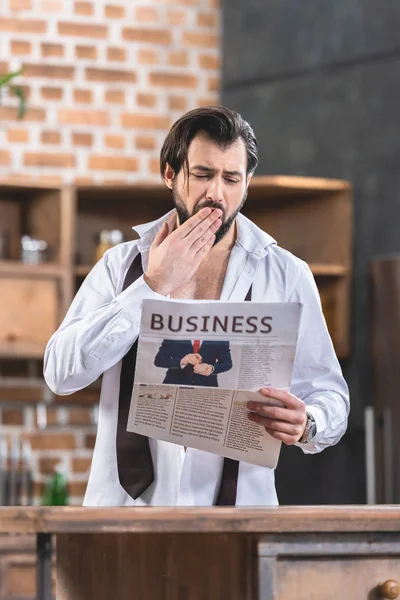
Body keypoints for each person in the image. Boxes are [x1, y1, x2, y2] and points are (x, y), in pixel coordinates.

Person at [44, 106, 349, 507]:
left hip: (242, 521)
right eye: (203, 175)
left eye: (231, 178)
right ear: (170, 174)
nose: (216, 194)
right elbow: (60, 374)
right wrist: (150, 287)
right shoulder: (121, 267)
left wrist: (309, 422)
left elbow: (330, 394)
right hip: (125, 517)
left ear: (247, 182)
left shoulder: (287, 274)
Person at [154, 339, 232, 386]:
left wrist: (211, 368)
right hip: (175, 382)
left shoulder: (219, 338)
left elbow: (227, 363)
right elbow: (159, 360)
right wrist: (181, 361)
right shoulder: (174, 334)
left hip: (206, 385)